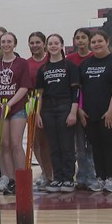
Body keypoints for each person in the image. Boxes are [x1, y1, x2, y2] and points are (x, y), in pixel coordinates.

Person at [0, 32, 32, 195]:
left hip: (17, 107)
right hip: (0, 108)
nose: (5, 44)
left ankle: (22, 179)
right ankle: (9, 178)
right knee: (3, 144)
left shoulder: (21, 63)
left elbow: (24, 86)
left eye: (9, 41)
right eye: (3, 41)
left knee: (15, 143)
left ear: (14, 44)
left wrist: (10, 103)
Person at [78, 30, 112, 193]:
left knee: (109, 145)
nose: (96, 44)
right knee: (96, 146)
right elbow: (80, 90)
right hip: (90, 114)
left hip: (109, 114)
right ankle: (100, 178)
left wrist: (111, 111)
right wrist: (80, 110)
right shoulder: (86, 64)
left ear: (107, 41)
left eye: (100, 41)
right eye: (94, 42)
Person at [35, 33, 79, 193]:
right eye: (50, 43)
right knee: (53, 146)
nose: (53, 46)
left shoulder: (70, 66)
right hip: (47, 109)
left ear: (61, 45)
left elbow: (76, 92)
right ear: (47, 47)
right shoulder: (43, 69)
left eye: (56, 43)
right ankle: (57, 178)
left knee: (66, 145)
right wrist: (38, 114)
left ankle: (68, 179)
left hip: (65, 107)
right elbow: (39, 94)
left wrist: (73, 112)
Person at [65, 28, 97, 190]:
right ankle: (82, 176)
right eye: (77, 38)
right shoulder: (69, 59)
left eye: (83, 37)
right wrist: (77, 108)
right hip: (76, 106)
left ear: (89, 40)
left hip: (93, 106)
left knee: (91, 144)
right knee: (79, 145)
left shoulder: (94, 57)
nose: (80, 41)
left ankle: (92, 175)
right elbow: (73, 87)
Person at [27, 32, 54, 189]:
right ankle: (45, 172)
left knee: (50, 142)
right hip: (32, 103)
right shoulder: (26, 63)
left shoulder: (50, 60)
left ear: (44, 44)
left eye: (38, 42)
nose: (35, 45)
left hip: (50, 103)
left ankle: (55, 172)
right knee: (36, 142)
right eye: (32, 43)